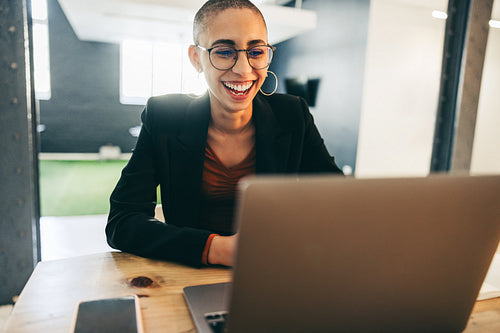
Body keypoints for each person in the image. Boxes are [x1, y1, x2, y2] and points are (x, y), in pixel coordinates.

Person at [106, 0, 343, 268]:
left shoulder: (292, 115)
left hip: (272, 271)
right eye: (224, 51)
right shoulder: (164, 116)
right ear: (197, 58)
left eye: (256, 51)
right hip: (190, 275)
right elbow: (122, 222)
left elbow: (337, 203)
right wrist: (215, 249)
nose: (243, 69)